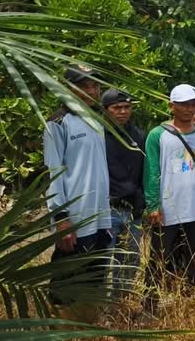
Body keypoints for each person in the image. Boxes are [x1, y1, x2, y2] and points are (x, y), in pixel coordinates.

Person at [143, 84, 195, 315]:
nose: (189, 109)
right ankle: (150, 302)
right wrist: (153, 204)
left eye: (193, 104)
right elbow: (152, 171)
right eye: (183, 104)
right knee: (159, 255)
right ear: (172, 106)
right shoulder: (158, 135)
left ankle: (191, 297)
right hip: (167, 207)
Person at [44, 65, 112, 304]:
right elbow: (53, 173)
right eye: (84, 86)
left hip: (100, 215)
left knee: (94, 278)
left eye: (95, 86)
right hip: (75, 217)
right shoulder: (58, 122)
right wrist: (61, 219)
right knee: (66, 281)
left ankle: (87, 321)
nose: (91, 91)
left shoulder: (97, 120)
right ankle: (61, 321)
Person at [101, 88, 145, 297]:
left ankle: (121, 302)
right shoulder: (97, 135)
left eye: (127, 107)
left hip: (133, 210)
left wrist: (142, 201)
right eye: (117, 107)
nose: (123, 111)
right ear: (105, 109)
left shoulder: (138, 135)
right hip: (106, 209)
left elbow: (145, 170)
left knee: (129, 260)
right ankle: (99, 304)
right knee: (103, 260)